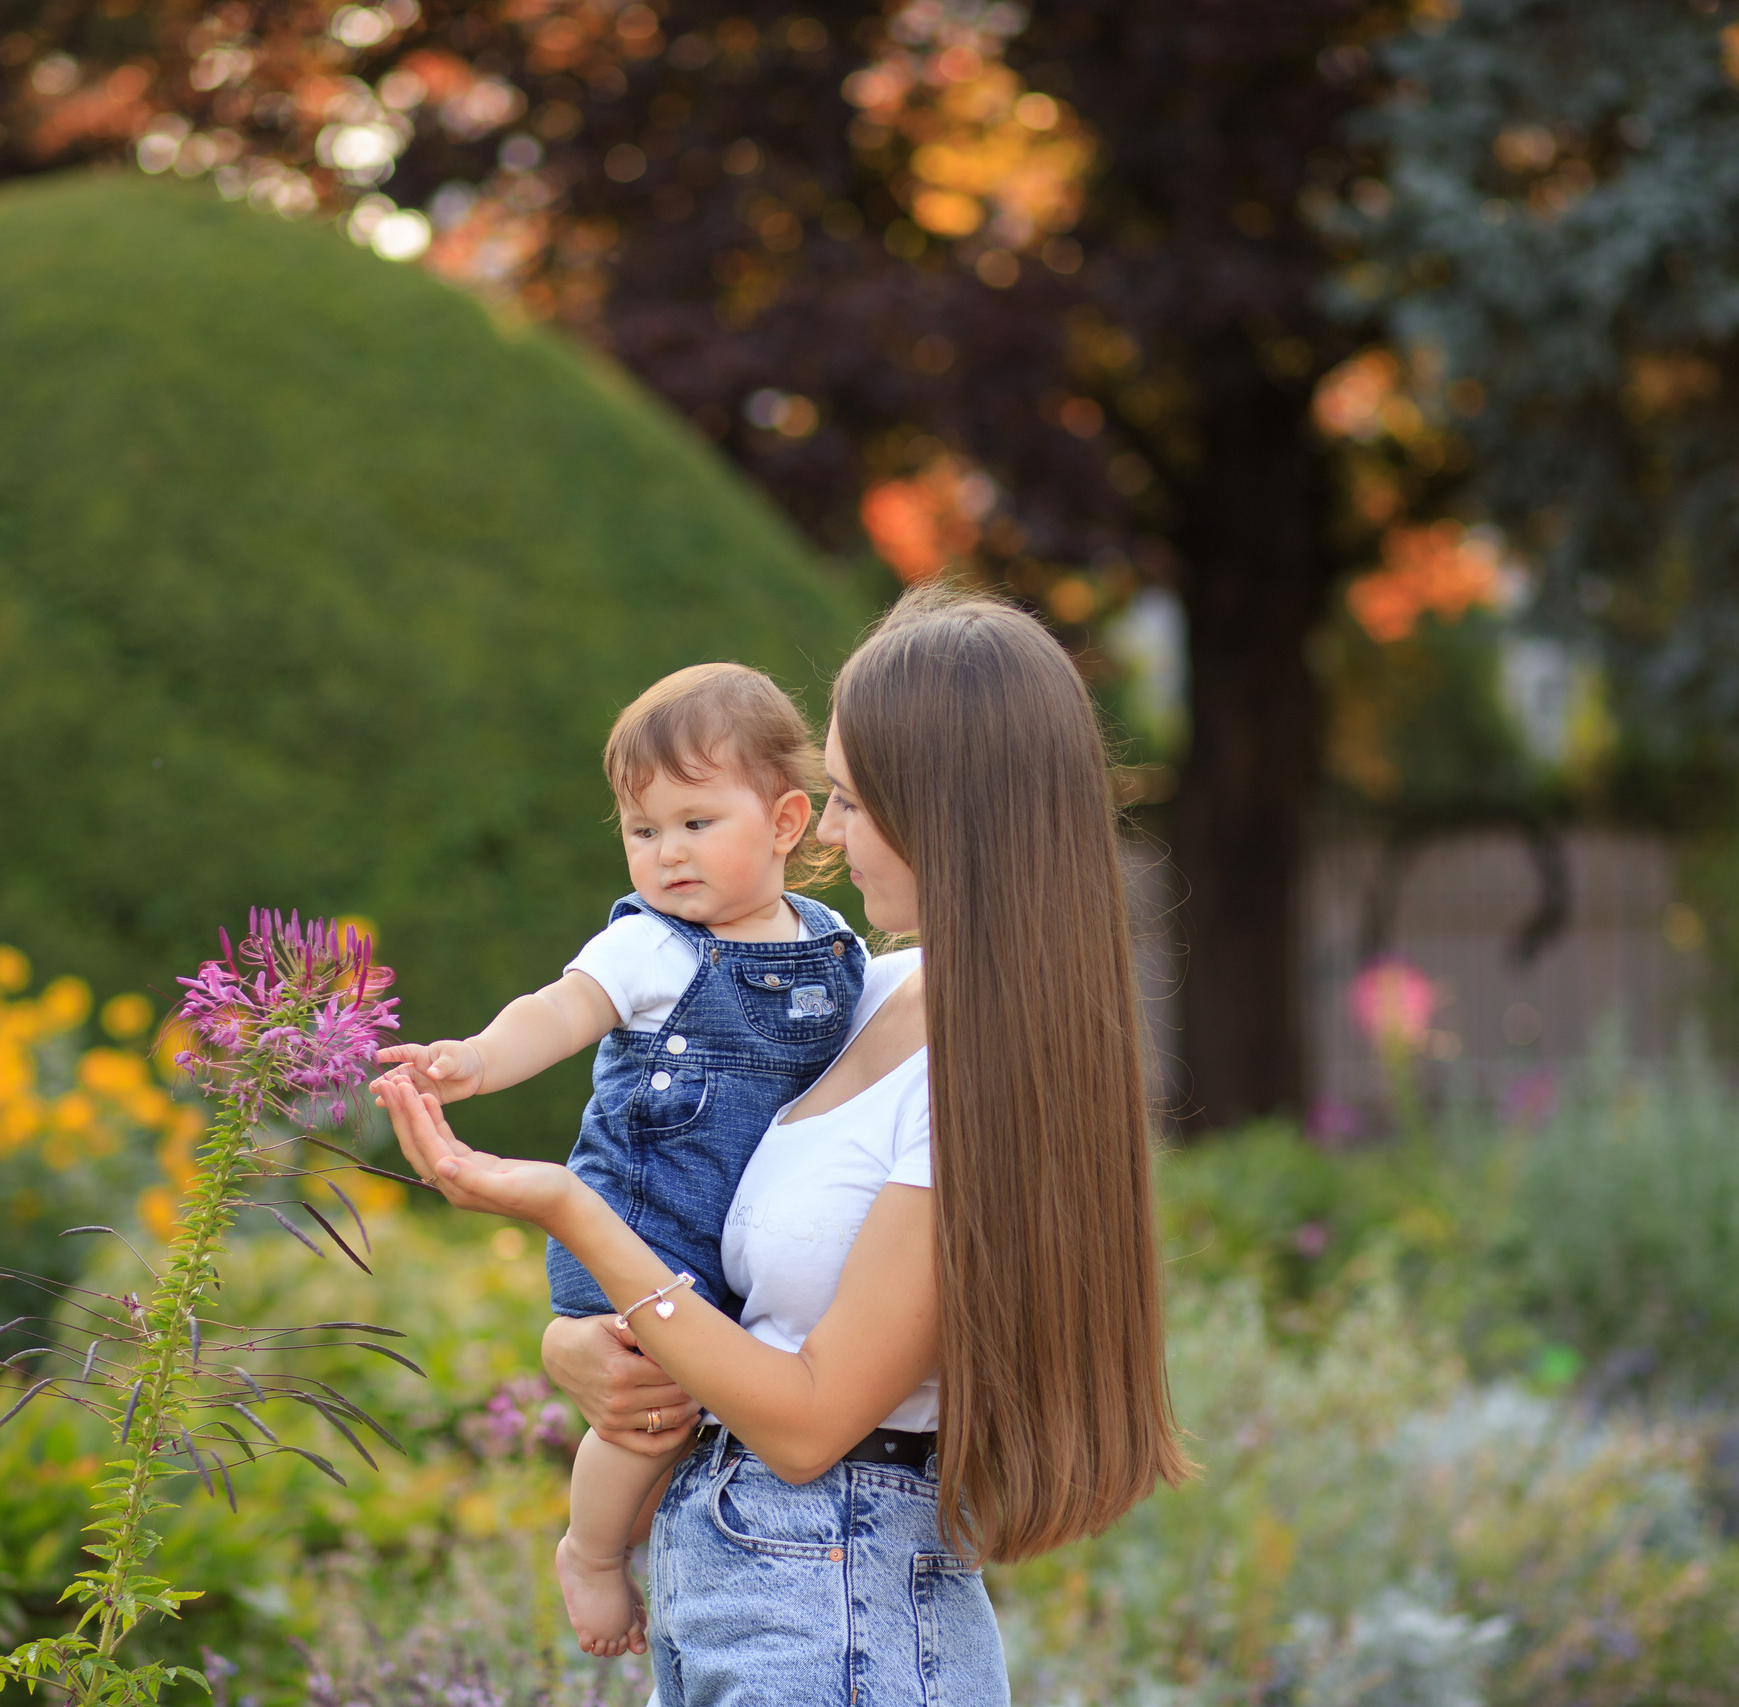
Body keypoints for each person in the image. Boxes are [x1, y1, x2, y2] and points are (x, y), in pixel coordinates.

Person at [376, 587, 1191, 1705]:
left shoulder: (980, 1072)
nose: (831, 830)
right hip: (738, 1584)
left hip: (838, 1610)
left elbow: (808, 1424)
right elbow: (716, 1263)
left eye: (853, 801)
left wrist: (570, 1212)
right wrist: (585, 1348)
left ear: (946, 811)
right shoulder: (860, 993)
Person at [376, 661, 867, 1656]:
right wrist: (474, 1060)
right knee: (645, 1418)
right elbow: (559, 1010)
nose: (667, 856)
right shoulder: (651, 949)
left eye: (696, 824)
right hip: (639, 1228)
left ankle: (657, 1541)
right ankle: (591, 1553)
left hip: (739, 1246)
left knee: (701, 1418)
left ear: (783, 824)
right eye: (643, 832)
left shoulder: (837, 948)